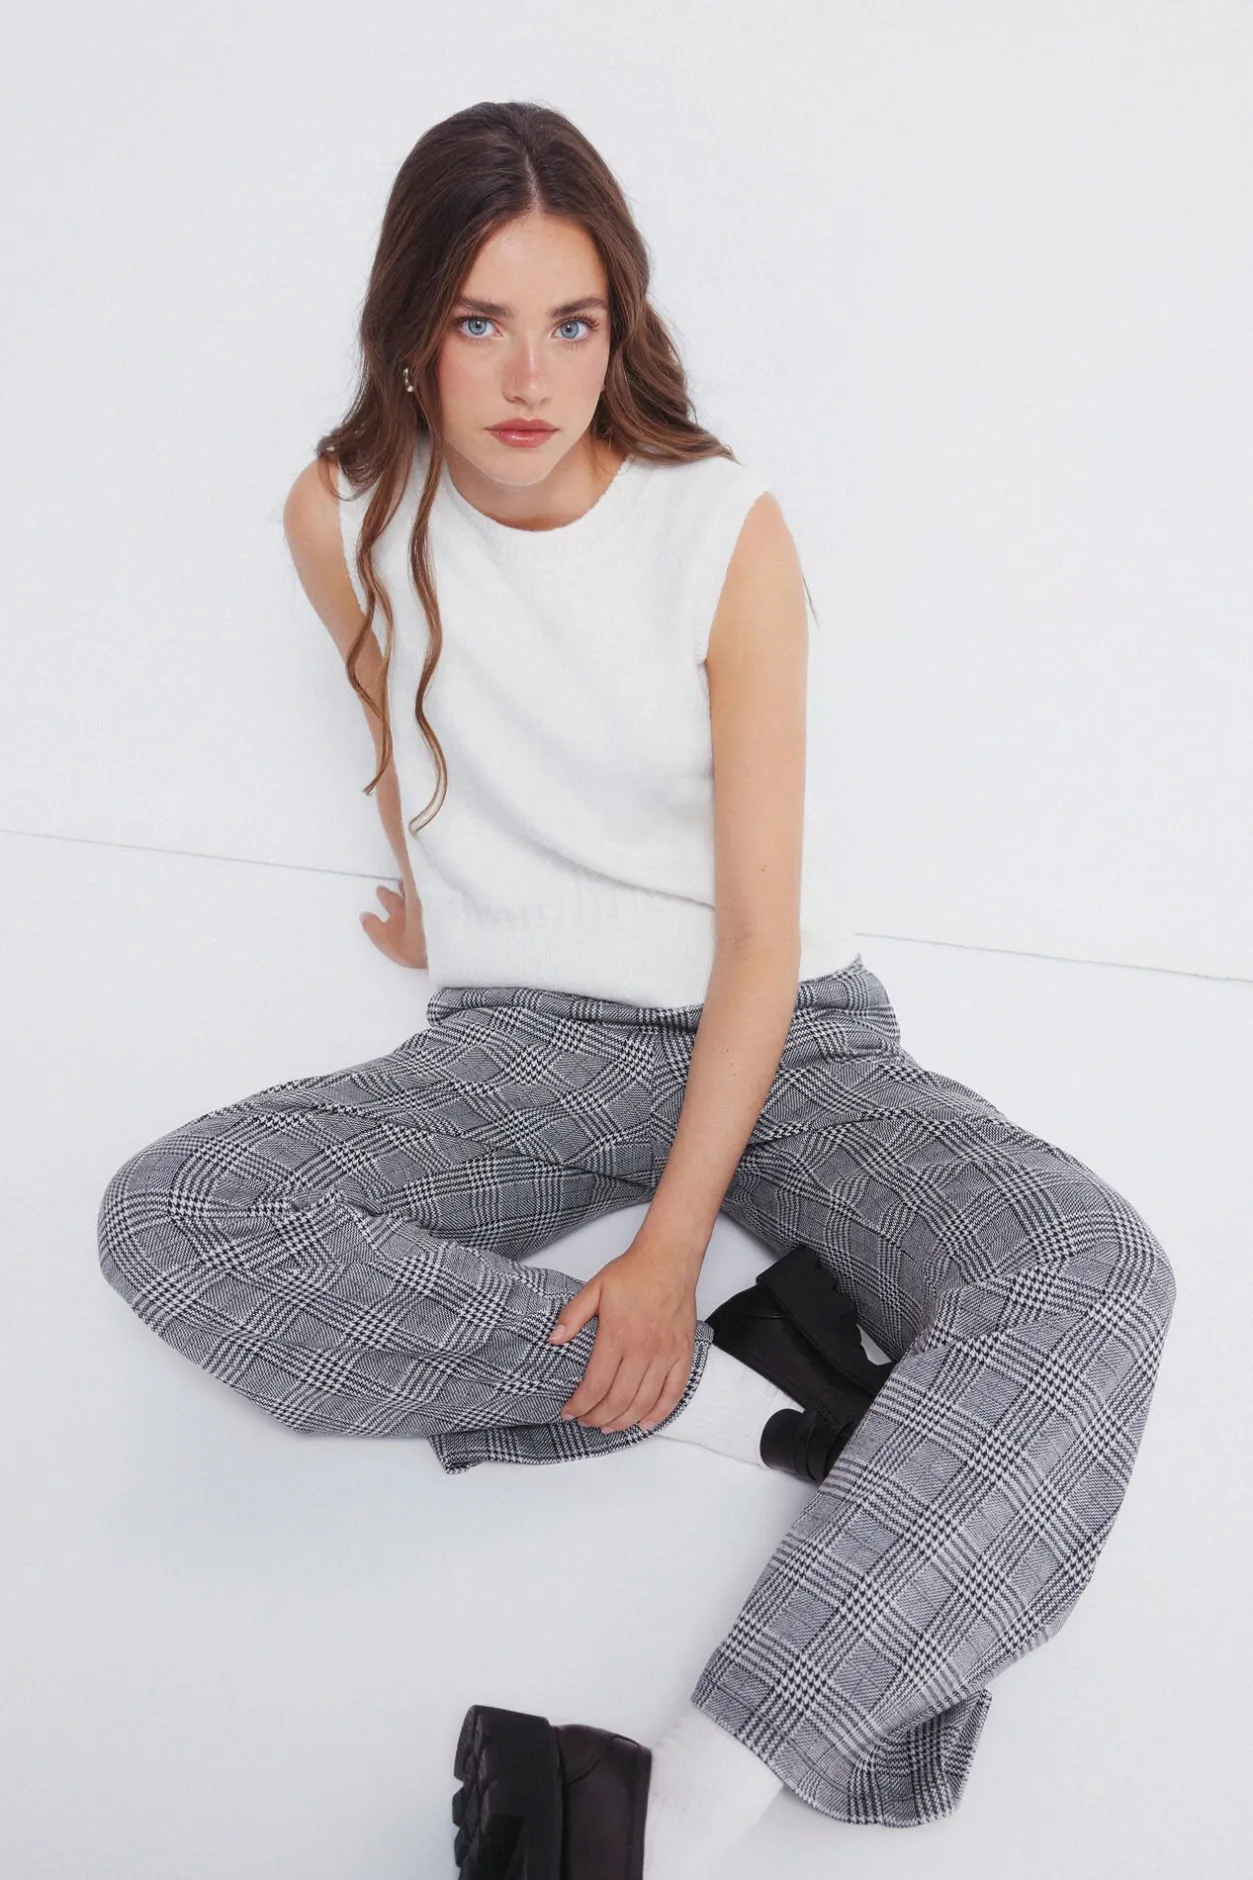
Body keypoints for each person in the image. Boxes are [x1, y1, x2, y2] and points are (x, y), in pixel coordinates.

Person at [95, 101, 1178, 1880]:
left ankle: (664, 1807)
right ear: (411, 327)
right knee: (172, 1215)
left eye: (573, 322)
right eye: (481, 322)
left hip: (790, 1036)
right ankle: (733, 1399)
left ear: (621, 328)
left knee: (1092, 1273)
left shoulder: (718, 524)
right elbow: (409, 718)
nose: (532, 376)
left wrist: (669, 1252)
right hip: (527, 1045)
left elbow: (756, 937)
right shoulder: (340, 512)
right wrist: (444, 904)